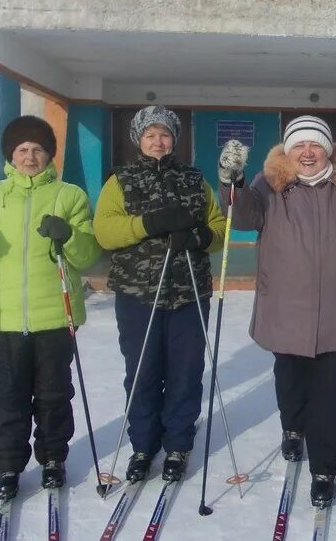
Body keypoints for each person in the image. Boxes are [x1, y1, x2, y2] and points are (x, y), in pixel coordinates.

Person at [217, 115, 336, 508]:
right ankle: (293, 428)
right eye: (300, 145)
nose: (308, 153)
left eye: (315, 145)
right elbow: (242, 216)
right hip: (286, 307)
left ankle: (325, 468)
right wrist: (232, 180)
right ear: (288, 150)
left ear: (328, 149)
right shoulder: (270, 186)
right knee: (291, 379)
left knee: (332, 392)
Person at [0, 115, 101, 500]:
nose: (31, 157)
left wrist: (68, 236)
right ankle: (10, 466)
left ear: (50, 155)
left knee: (54, 394)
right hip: (4, 316)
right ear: (10, 155)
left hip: (56, 314)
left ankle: (52, 459)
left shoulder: (70, 196)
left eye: (39, 150)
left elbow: (87, 257)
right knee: (9, 397)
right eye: (23, 150)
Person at [94, 105, 226, 484]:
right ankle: (143, 444)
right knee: (142, 372)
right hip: (139, 293)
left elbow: (217, 226)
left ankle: (179, 443)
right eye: (150, 135)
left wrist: (202, 236)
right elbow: (105, 230)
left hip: (188, 293)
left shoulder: (194, 179)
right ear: (139, 139)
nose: (158, 141)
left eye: (164, 135)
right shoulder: (120, 180)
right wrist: (147, 223)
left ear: (174, 140)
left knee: (185, 372)